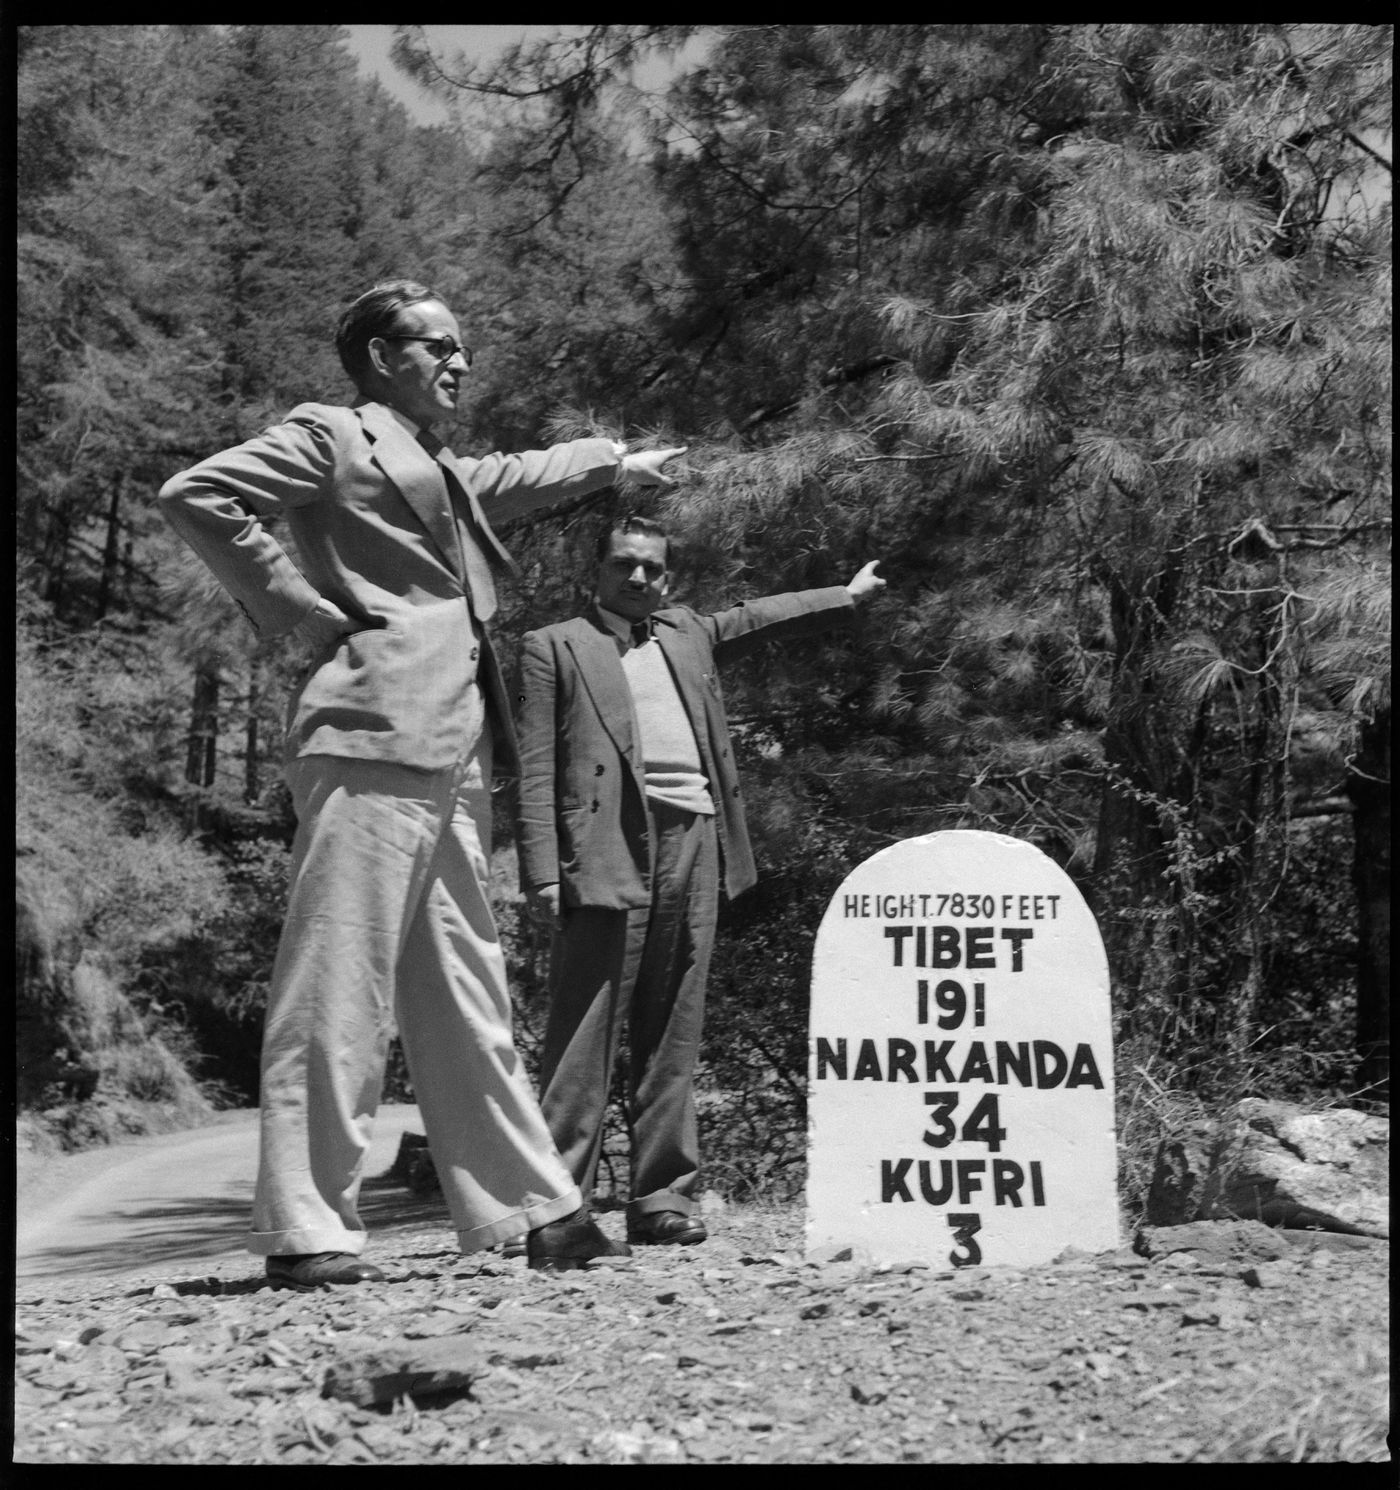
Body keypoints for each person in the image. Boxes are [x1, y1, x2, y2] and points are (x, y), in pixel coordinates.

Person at [158, 280, 686, 1284]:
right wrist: (305, 612)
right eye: (436, 343)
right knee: (336, 980)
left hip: (449, 743)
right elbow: (198, 493)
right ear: (374, 354)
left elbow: (515, 474)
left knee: (464, 987)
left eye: (463, 346)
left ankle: (534, 1208)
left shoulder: (434, 467)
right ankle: (308, 1224)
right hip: (366, 732)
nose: (458, 361)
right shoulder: (330, 434)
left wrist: (615, 460)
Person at [516, 515, 885, 1247]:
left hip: (698, 840)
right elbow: (529, 768)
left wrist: (844, 595)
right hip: (605, 851)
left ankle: (663, 1198)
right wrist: (541, 875)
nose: (638, 579)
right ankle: (558, 1210)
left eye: (652, 568)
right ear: (595, 570)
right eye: (624, 564)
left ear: (667, 576)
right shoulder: (554, 645)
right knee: (584, 1032)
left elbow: (757, 618)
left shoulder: (685, 632)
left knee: (675, 1024)